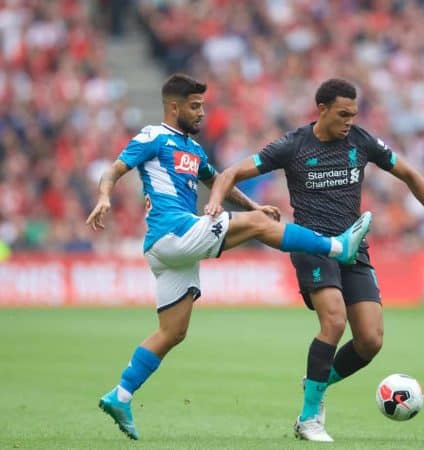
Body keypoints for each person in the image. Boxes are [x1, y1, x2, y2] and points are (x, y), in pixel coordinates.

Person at [85, 73, 373, 440]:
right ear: (173, 107)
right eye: (194, 106)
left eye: (203, 105)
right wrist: (105, 196)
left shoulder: (193, 149)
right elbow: (114, 169)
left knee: (172, 332)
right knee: (256, 226)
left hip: (173, 250)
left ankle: (120, 396)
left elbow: (218, 180)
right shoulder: (152, 136)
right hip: (173, 232)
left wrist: (256, 206)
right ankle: (337, 247)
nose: (202, 112)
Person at [205, 78, 424, 442]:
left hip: (354, 247)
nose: (349, 121)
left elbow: (409, 173)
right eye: (343, 114)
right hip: (313, 245)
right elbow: (231, 172)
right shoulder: (293, 145)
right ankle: (309, 418)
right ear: (322, 109)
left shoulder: (361, 142)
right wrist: (216, 203)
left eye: (353, 114)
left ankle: (316, 379)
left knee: (371, 341)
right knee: (334, 321)